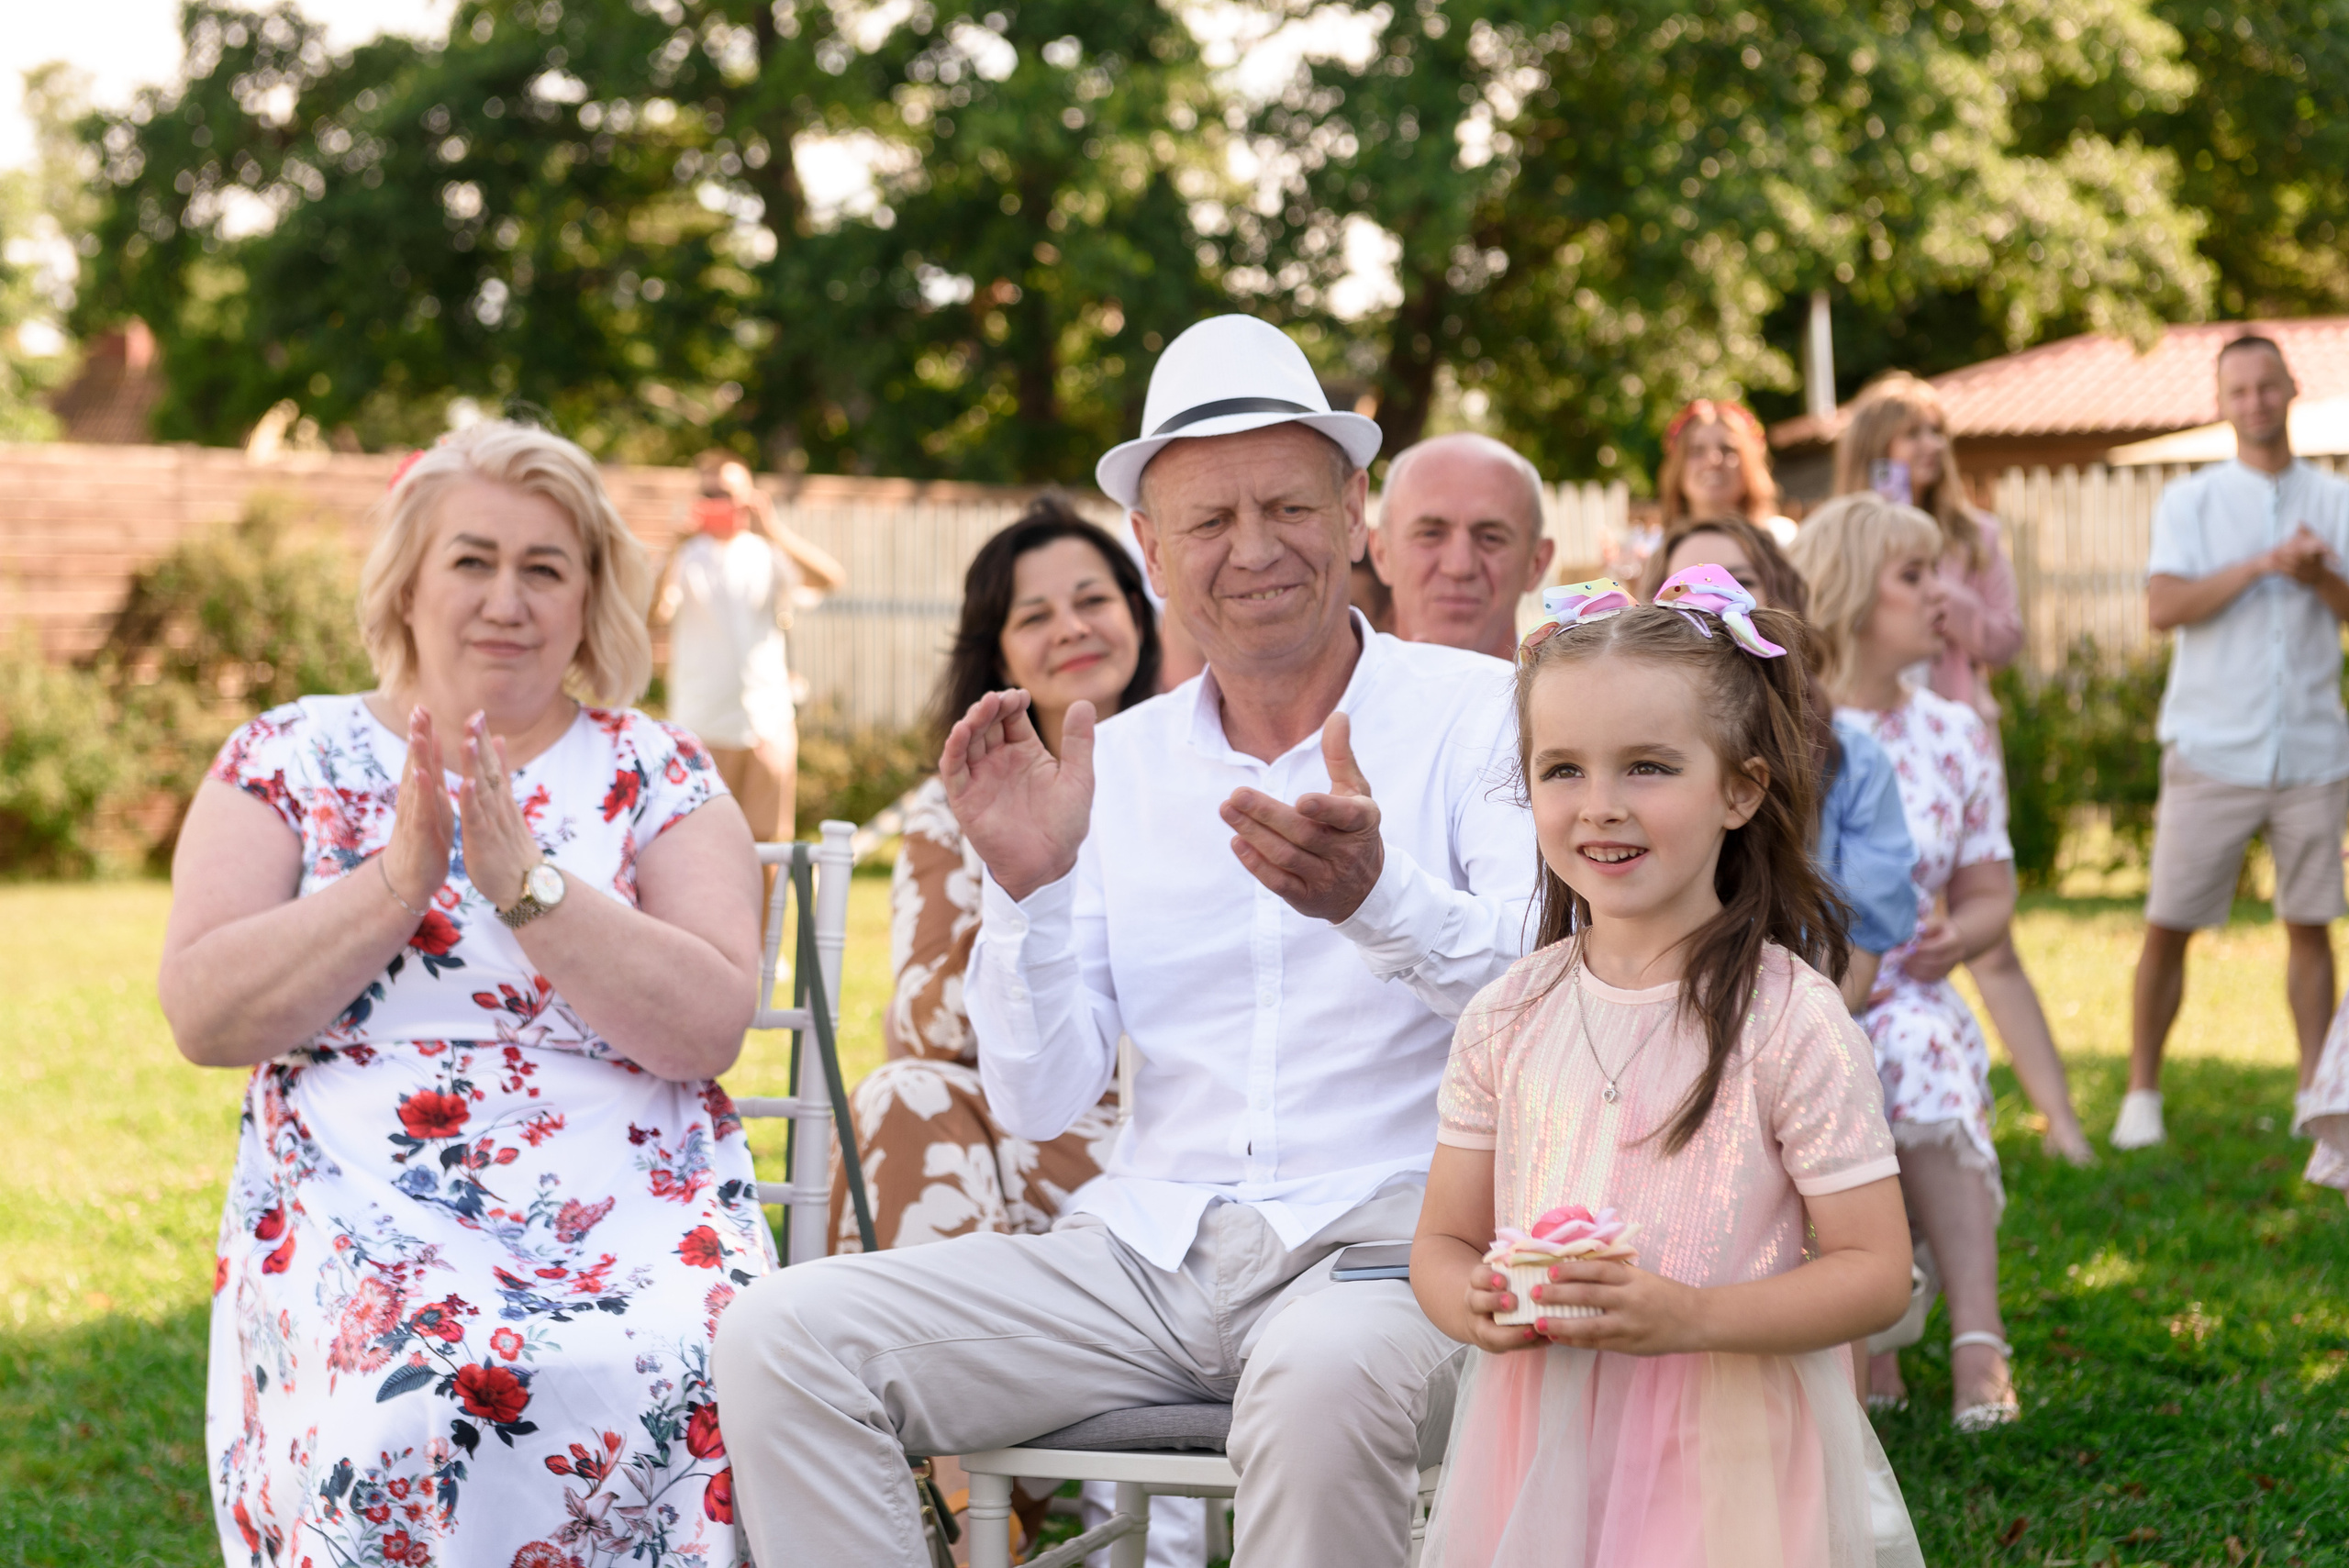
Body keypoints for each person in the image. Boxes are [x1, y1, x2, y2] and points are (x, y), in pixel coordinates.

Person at [714, 314, 1536, 1567]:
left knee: (1316, 1383)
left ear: (1356, 509)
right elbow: (1041, 1098)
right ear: (1153, 550)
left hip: (1392, 1249)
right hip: (1151, 1258)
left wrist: (1378, 898)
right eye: (1208, 522)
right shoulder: (1117, 763)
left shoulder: (1483, 715)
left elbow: (1543, 1003)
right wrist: (1029, 892)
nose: (1252, 550)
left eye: (1289, 508)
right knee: (781, 1334)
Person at [161, 421, 769, 1566]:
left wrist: (526, 886)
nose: (508, 597)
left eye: (546, 567)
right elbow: (202, 1010)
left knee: (691, 1364)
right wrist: (395, 883)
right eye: (472, 560)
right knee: (416, 1395)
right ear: (406, 586)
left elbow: (709, 1025)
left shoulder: (658, 768)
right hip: (361, 1205)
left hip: (630, 1203)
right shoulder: (285, 755)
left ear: (592, 600)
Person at [1410, 570, 1920, 1567]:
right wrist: (1468, 1298)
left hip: (1724, 1447)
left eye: (1647, 766)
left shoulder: (1790, 1020)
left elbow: (1875, 1272)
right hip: (1536, 1437)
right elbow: (1443, 1235)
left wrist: (1692, 1315)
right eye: (1562, 770)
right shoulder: (1507, 1016)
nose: (1599, 806)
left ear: (1741, 787)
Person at [828, 495, 1204, 1568]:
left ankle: (945, 1529)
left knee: (921, 1106)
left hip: (1166, 1144)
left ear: (1139, 613)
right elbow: (919, 1014)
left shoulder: (1202, 776)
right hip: (1004, 1133)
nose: (1071, 628)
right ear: (996, 650)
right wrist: (1022, 876)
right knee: (905, 1091)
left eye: (1093, 598)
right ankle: (958, 1519)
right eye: (1034, 615)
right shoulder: (955, 803)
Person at [1791, 494, 2021, 1430]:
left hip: (1908, 992)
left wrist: (1959, 937)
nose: (1944, 595)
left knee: (1917, 1045)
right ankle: (1871, 1330)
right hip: (1792, 994)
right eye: (1915, 575)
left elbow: (1990, 892)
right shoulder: (1784, 729)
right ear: (1848, 593)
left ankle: (1978, 1335)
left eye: (1942, 572)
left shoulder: (1955, 731)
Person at [1835, 373, 2092, 1165]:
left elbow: (2006, 641)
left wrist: (1950, 599)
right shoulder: (1848, 536)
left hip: (1950, 741)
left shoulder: (1973, 537)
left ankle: (2059, 1116)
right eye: (1910, 434)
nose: (1928, 448)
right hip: (1868, 730)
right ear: (1875, 448)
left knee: (1984, 931)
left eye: (1936, 433)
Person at [2124, 335, 2349, 1149]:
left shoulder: (2336, 499)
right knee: (2168, 924)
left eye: (2266, 386)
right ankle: (2141, 1095)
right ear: (2221, 402)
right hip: (2210, 746)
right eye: (2239, 390)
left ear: (2293, 388)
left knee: (2311, 922)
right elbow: (2164, 607)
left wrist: (2317, 574)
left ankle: (2315, 1096)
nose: (2254, 402)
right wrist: (2262, 565)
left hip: (2314, 751)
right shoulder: (2191, 501)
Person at [1647, 515, 1918, 1014]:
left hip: (1809, 1032)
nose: (1711, 603)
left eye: (1739, 581)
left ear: (1782, 594)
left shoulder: (1855, 764)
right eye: (1683, 588)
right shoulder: (1628, 766)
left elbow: (1858, 957)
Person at [658, 450, 845, 840]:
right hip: (700, 725)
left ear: (749, 496)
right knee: (699, 844)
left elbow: (830, 579)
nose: (717, 502)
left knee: (769, 844)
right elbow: (650, 616)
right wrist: (672, 547)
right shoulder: (684, 554)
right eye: (708, 494)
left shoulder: (769, 551)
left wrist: (772, 529)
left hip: (767, 722)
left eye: (726, 493)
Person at [1369, 431, 1555, 660]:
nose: (1460, 566)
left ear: (1536, 563)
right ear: (1381, 554)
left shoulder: (1584, 694)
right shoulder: (1336, 694)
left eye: (1490, 538)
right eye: (1430, 534)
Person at [1656, 397, 1798, 548]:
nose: (1713, 461)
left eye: (1728, 449)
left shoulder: (1780, 541)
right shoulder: (1658, 549)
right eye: (1696, 450)